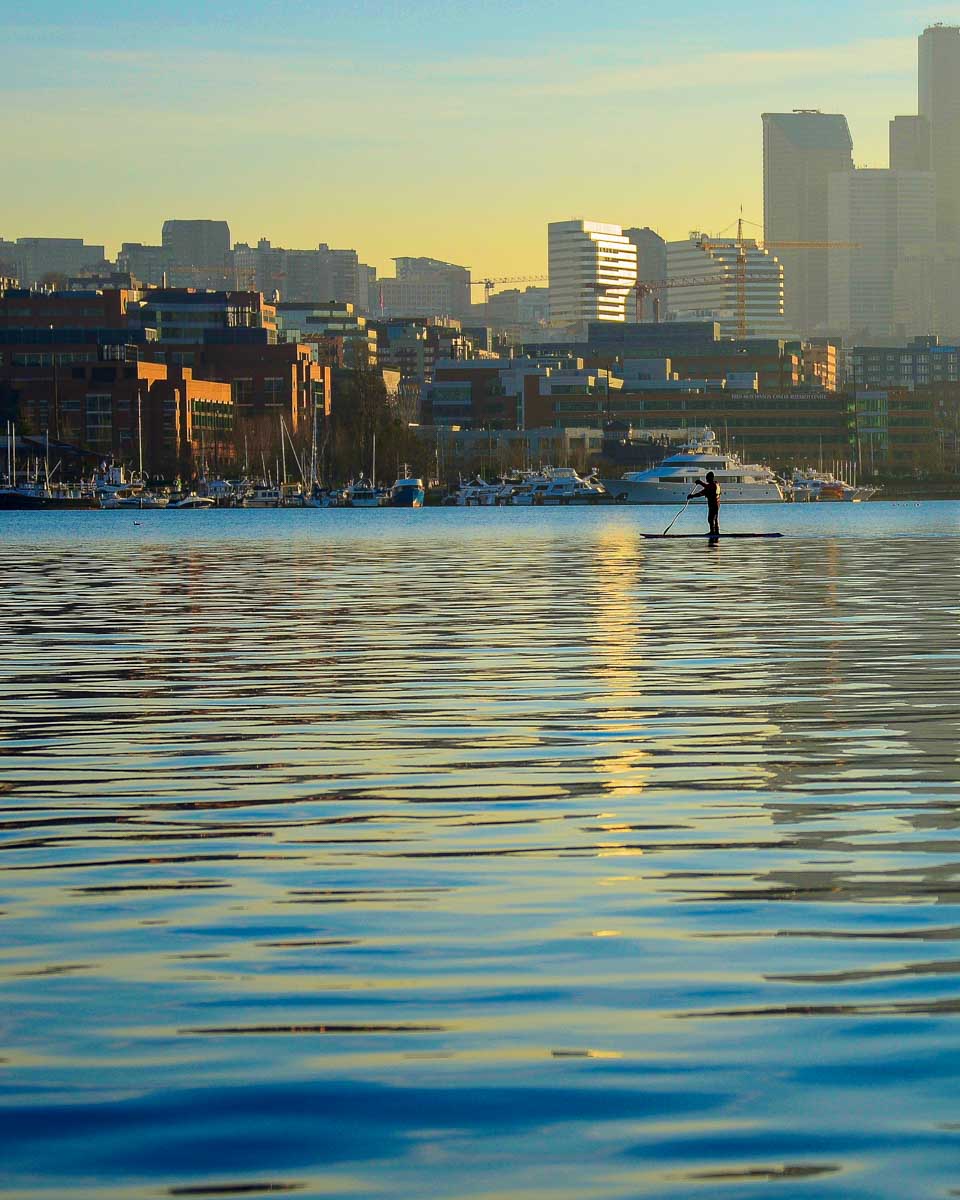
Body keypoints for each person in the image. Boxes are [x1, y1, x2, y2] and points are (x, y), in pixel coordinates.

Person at [688, 471, 721, 536]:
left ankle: (713, 532)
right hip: (716, 504)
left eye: (707, 478)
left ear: (710, 478)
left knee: (711, 519)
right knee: (715, 518)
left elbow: (701, 493)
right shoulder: (716, 484)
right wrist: (693, 495)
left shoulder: (712, 486)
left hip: (713, 505)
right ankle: (716, 532)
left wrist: (692, 495)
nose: (706, 479)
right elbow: (705, 489)